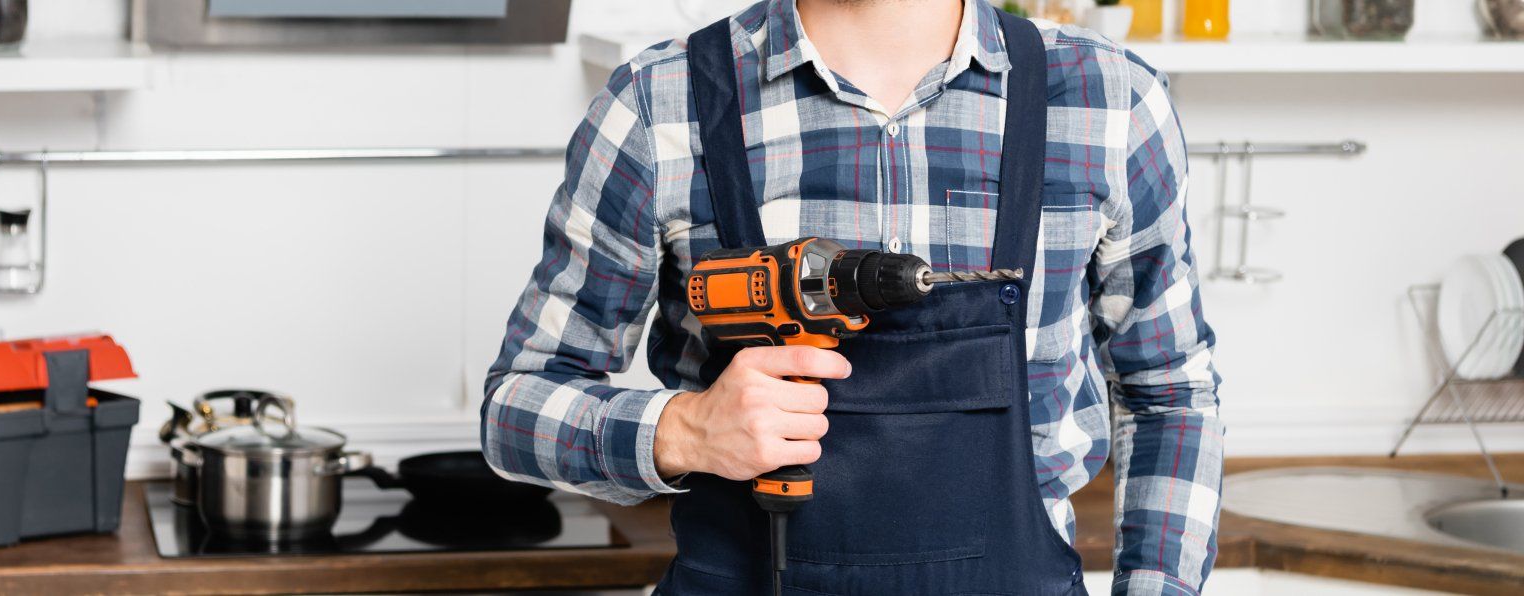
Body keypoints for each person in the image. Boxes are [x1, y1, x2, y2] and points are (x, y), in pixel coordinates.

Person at [481, 0, 1222, 594]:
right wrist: (686, 430)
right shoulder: (659, 104)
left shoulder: (1108, 102)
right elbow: (513, 411)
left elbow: (1172, 395)